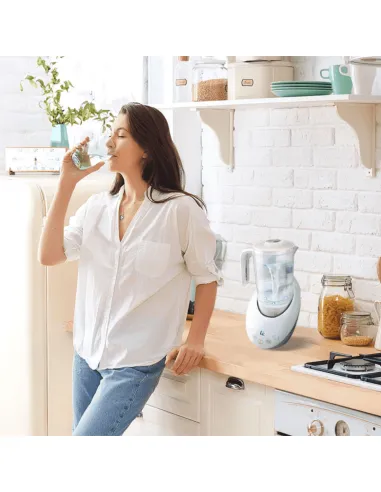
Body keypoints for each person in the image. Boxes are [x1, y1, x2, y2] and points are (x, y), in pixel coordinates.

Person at [38, 102, 222, 436]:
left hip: (134, 364)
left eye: (120, 135)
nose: (109, 143)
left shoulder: (180, 211)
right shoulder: (97, 207)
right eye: (110, 135)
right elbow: (49, 255)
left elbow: (207, 278)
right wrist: (66, 184)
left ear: (148, 149)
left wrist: (196, 341)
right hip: (87, 357)